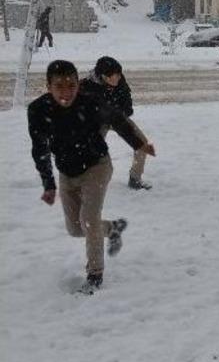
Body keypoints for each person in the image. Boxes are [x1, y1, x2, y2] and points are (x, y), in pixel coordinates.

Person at [28, 60, 156, 294]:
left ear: (78, 84)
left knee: (88, 219)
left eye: (71, 85)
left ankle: (95, 276)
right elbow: (40, 149)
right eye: (59, 86)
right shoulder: (38, 109)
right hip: (67, 172)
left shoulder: (89, 102)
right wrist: (49, 184)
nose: (66, 92)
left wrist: (140, 144)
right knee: (76, 229)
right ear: (48, 86)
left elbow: (118, 120)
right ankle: (112, 228)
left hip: (97, 166)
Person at [80, 56, 153, 190]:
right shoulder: (86, 86)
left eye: (120, 74)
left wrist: (119, 114)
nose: (119, 78)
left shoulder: (120, 80)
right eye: (116, 76)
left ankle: (135, 179)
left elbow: (128, 104)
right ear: (105, 76)